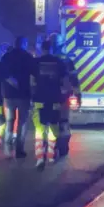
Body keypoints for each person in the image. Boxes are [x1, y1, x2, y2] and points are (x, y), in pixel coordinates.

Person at [30, 39, 71, 169]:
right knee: (54, 127)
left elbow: (32, 82)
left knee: (39, 129)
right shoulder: (59, 63)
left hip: (39, 100)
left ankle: (39, 157)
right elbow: (65, 81)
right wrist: (65, 95)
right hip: (54, 99)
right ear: (51, 49)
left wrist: (33, 95)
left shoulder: (36, 62)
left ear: (42, 49)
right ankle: (51, 155)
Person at [0, 36, 35, 158]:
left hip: (9, 95)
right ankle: (19, 149)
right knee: (22, 122)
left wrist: (10, 82)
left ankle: (7, 147)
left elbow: (2, 73)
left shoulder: (6, 57)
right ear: (24, 44)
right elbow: (35, 74)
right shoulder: (28, 57)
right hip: (23, 94)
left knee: (9, 121)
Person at [48, 33, 82, 157]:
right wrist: (78, 95)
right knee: (64, 121)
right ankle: (63, 146)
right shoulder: (67, 60)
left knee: (50, 122)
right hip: (63, 95)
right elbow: (74, 79)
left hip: (48, 96)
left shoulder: (45, 60)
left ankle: (54, 146)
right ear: (62, 45)